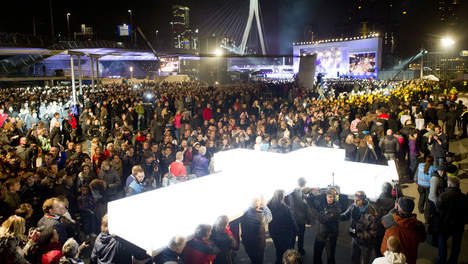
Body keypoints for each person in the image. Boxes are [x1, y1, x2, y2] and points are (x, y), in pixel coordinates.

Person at [381, 197, 426, 264]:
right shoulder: (419, 225)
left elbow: (383, 220)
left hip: (392, 258)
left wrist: (394, 209)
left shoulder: (391, 221)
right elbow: (423, 239)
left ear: (399, 208)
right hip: (410, 258)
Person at [341, 191, 380, 264]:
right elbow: (345, 215)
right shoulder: (353, 206)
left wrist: (358, 235)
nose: (355, 202)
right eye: (354, 200)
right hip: (355, 240)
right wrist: (337, 216)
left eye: (358, 200)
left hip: (366, 243)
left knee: (364, 262)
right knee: (354, 259)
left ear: (364, 200)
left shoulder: (371, 212)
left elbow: (373, 233)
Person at [436, 176, 468, 264]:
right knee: (456, 245)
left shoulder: (443, 196)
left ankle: (442, 260)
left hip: (445, 224)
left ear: (449, 184)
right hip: (459, 225)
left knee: (442, 242)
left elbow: (438, 209)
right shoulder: (464, 197)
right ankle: (453, 261)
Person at [309, 188, 341, 264]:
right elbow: (313, 202)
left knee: (330, 258)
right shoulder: (323, 203)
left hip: (330, 237)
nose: (331, 199)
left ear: (335, 198)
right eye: (329, 196)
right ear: (326, 196)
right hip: (320, 234)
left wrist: (313, 211)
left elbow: (323, 219)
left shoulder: (337, 207)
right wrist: (309, 195)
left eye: (332, 197)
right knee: (316, 256)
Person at [240, 197, 272, 264]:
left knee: (253, 259)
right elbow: (269, 217)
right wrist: (264, 206)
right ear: (258, 206)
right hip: (258, 245)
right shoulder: (260, 217)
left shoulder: (244, 215)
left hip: (248, 244)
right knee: (259, 261)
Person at [268, 190, 297, 264]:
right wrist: (296, 230)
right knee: (286, 253)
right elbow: (291, 221)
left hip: (275, 234)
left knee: (278, 250)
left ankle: (278, 261)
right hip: (285, 235)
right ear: (282, 197)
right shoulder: (285, 209)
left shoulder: (269, 207)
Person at [287, 177, 309, 255]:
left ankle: (291, 254)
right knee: (301, 236)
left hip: (293, 218)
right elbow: (306, 206)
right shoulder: (304, 192)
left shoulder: (291, 192)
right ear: (304, 183)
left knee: (292, 237)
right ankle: (300, 250)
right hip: (301, 219)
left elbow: (290, 207)